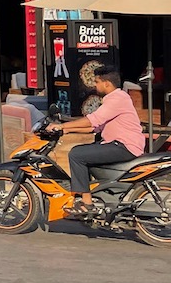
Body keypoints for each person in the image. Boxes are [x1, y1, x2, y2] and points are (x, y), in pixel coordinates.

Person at [53, 62, 147, 218]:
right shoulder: (115, 98)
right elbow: (94, 127)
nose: (94, 86)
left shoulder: (117, 99)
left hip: (124, 146)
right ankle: (96, 196)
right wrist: (66, 129)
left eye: (96, 82)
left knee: (77, 154)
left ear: (107, 83)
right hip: (118, 144)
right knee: (85, 152)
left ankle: (87, 204)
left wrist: (62, 127)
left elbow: (93, 120)